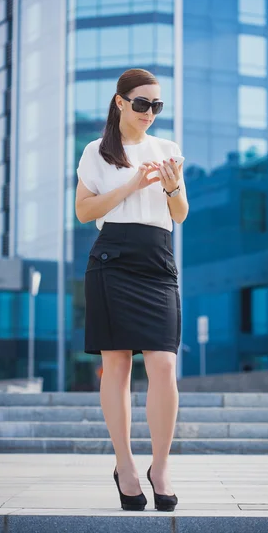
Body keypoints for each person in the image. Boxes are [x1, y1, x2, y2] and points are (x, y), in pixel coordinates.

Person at [75, 68, 189, 512]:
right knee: (116, 365)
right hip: (113, 258)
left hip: (157, 259)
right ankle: (125, 465)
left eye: (156, 106)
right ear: (120, 102)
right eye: (141, 103)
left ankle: (159, 467)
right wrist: (130, 185)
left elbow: (179, 214)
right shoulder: (96, 152)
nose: (149, 113)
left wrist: (170, 184)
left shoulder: (168, 150)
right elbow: (85, 212)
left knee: (163, 363)